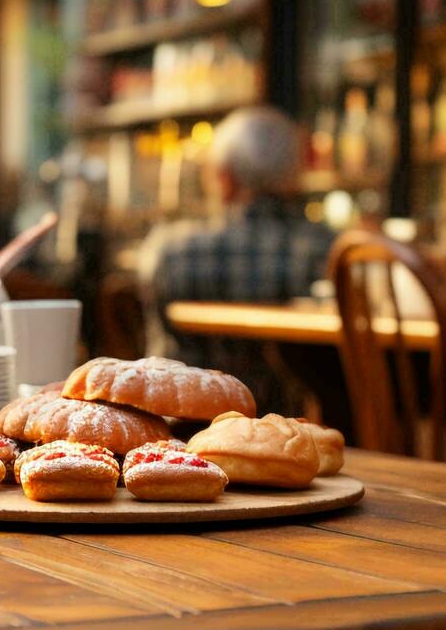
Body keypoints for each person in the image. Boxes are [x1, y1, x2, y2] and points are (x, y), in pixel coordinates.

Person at [136, 106, 334, 407]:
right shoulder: (329, 251)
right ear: (296, 176)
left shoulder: (171, 250)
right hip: (288, 435)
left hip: (184, 432)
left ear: (224, 178)